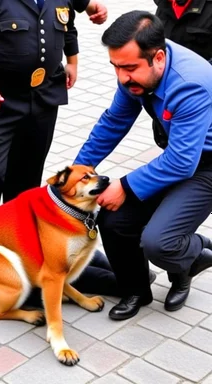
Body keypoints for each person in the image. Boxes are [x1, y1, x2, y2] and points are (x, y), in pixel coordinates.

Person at [74, 10, 212, 320]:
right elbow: (115, 120)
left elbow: (182, 162)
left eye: (129, 68)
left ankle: (191, 254)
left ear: (158, 58)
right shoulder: (135, 72)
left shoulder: (190, 83)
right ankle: (136, 290)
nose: (122, 77)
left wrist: (124, 186)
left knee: (158, 242)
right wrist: (78, 170)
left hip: (205, 167)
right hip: (179, 156)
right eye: (116, 67)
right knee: (113, 221)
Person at [0, 0, 107, 250]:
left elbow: (66, 21)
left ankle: (17, 252)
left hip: (42, 99)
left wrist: (72, 60)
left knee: (26, 179)